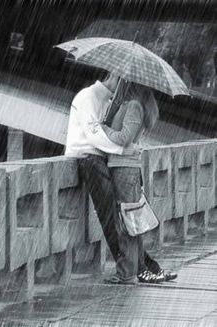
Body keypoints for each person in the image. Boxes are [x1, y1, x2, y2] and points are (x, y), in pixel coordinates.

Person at [65, 74, 175, 284]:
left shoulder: (116, 103)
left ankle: (140, 268)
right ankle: (141, 269)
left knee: (121, 218)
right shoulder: (88, 97)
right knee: (116, 218)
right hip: (89, 158)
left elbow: (113, 134)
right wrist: (122, 149)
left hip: (104, 159)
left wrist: (120, 148)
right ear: (117, 77)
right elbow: (93, 134)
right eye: (124, 80)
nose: (125, 85)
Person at [99, 80, 177, 283]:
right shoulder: (130, 104)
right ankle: (136, 269)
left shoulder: (133, 106)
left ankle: (126, 272)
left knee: (127, 221)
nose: (118, 84)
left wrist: (103, 130)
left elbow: (125, 138)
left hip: (125, 168)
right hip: (123, 167)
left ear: (130, 85)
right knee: (129, 220)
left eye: (123, 81)